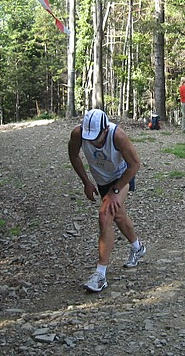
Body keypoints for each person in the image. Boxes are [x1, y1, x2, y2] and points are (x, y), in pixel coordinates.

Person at [68, 109, 147, 292]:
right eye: (90, 138)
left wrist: (116, 190)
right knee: (118, 216)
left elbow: (134, 164)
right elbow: (73, 156)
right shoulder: (78, 134)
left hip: (121, 177)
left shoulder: (117, 135)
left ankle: (100, 275)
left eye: (97, 138)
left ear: (105, 129)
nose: (94, 142)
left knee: (105, 216)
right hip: (101, 180)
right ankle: (138, 247)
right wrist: (86, 182)